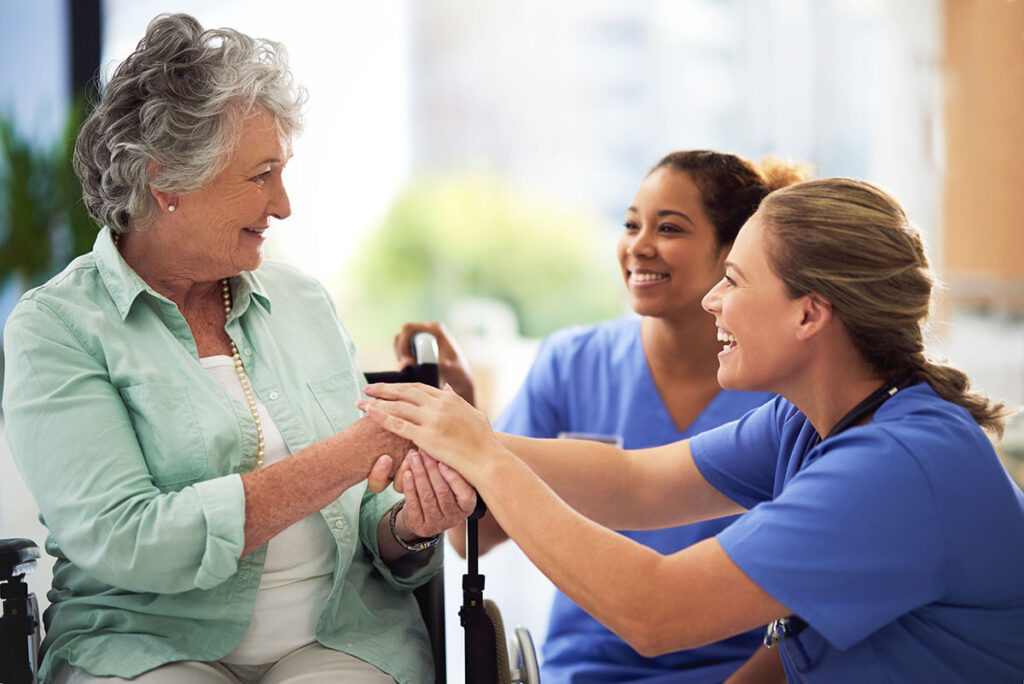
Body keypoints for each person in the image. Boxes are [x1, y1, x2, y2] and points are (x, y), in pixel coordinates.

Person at [362, 177, 1024, 682]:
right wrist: (447, 430)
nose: (711, 300)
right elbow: (638, 484)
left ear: (809, 314)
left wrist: (485, 456)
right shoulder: (814, 421)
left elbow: (656, 613)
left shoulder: (896, 468)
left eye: (733, 280)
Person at [2, 14, 474, 684]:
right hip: (151, 647)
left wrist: (410, 526)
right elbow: (129, 539)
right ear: (167, 184)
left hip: (339, 637)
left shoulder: (302, 302)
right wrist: (356, 449)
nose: (282, 205)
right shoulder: (57, 328)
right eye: (261, 175)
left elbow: (369, 514)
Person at [395, 150, 810, 683]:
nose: (639, 245)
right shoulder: (573, 362)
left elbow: (804, 613)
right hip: (586, 670)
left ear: (734, 252)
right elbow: (478, 532)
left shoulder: (783, 399)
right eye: (631, 224)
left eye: (669, 228)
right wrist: (466, 420)